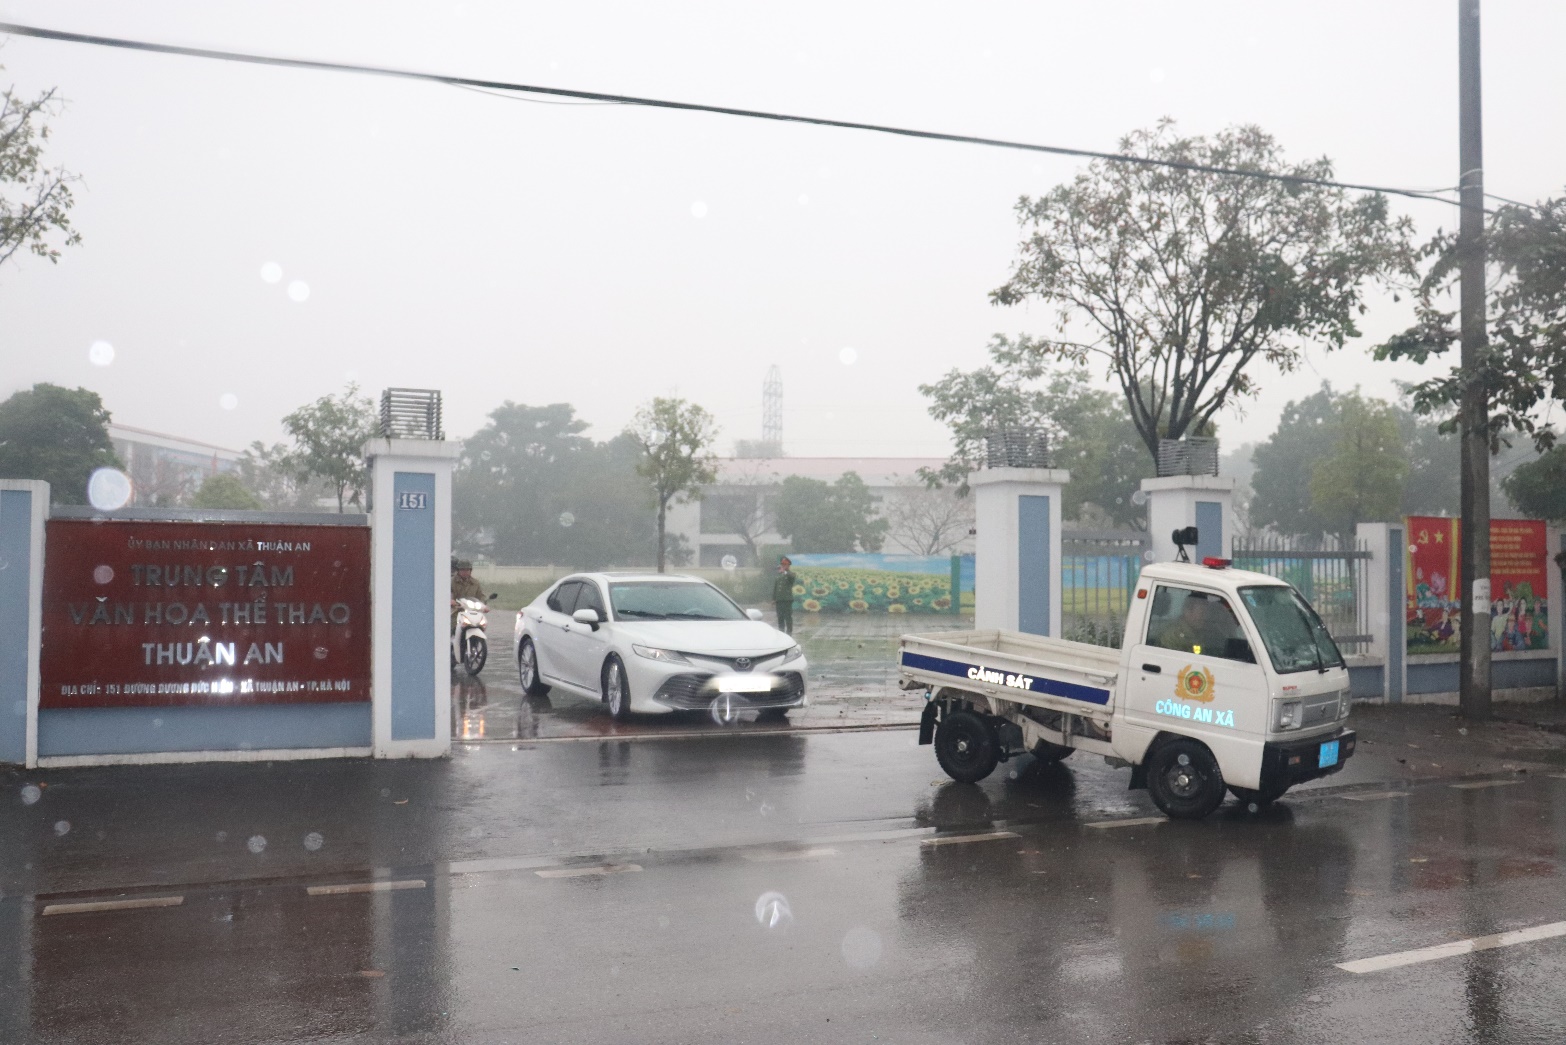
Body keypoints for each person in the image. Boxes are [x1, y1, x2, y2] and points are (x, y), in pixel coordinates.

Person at [451, 558, 485, 633]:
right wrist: (451, 601)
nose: (465, 572)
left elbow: (480, 596)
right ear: (458, 570)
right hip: (455, 612)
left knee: (481, 625)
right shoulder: (451, 582)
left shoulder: (475, 583)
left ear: (470, 571)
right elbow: (447, 594)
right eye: (462, 570)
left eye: (467, 570)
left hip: (472, 612)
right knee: (452, 628)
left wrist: (484, 605)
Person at [773, 556, 797, 635]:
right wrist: (774, 598)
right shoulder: (779, 575)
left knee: (788, 617)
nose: (783, 566)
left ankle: (789, 632)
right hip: (779, 600)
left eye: (785, 565)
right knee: (780, 617)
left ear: (788, 565)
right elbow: (776, 588)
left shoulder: (790, 574)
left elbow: (792, 577)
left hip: (787, 600)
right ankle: (781, 632)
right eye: (782, 564)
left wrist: (785, 571)